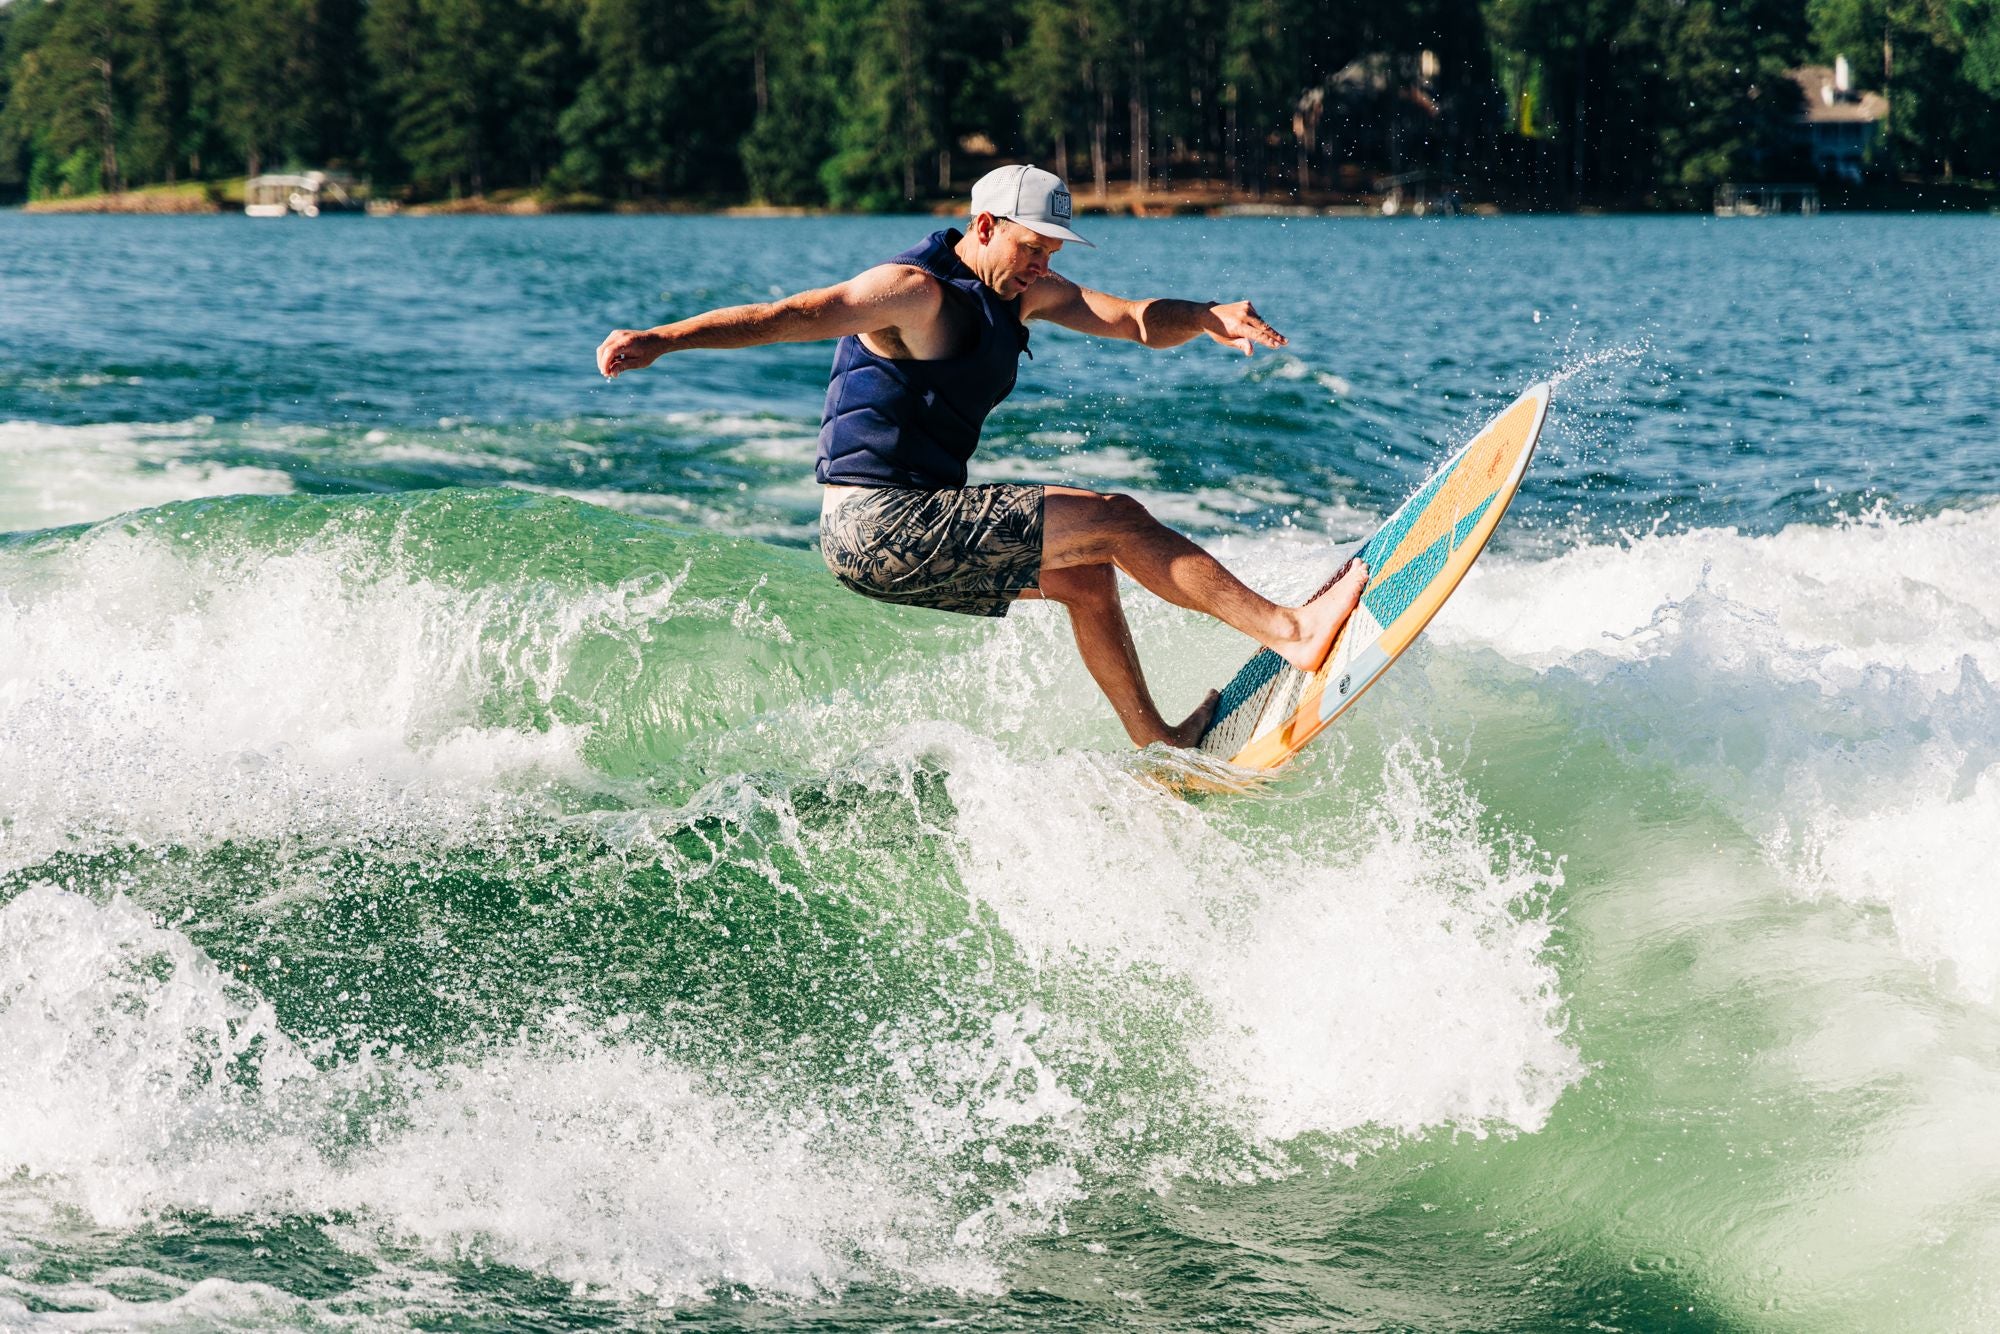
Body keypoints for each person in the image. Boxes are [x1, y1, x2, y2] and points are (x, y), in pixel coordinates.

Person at [596, 164, 1367, 748]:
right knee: (1119, 519)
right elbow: (787, 316)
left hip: (907, 524)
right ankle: (1291, 633)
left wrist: (1202, 315)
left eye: (1053, 251)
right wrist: (663, 340)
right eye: (1033, 248)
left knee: (1087, 579)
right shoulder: (913, 290)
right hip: (878, 524)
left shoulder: (1020, 292)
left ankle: (1157, 747)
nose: (1043, 265)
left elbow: (1132, 319)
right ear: (988, 225)